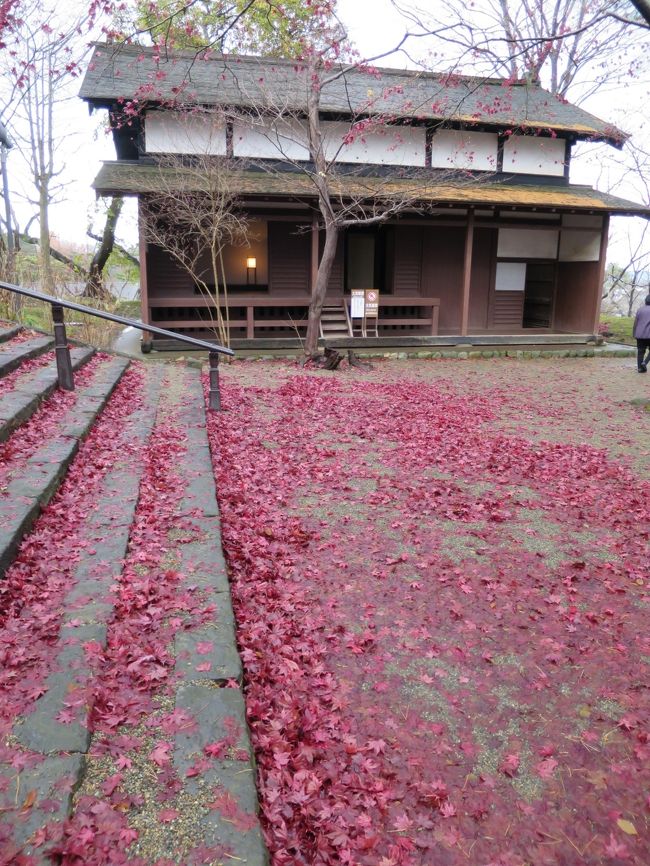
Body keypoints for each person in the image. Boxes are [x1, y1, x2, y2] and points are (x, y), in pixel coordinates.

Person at [633, 294, 650, 373]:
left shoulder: (640, 310)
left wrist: (634, 333)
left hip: (639, 334)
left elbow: (635, 323)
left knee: (640, 351)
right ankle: (644, 363)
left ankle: (640, 368)